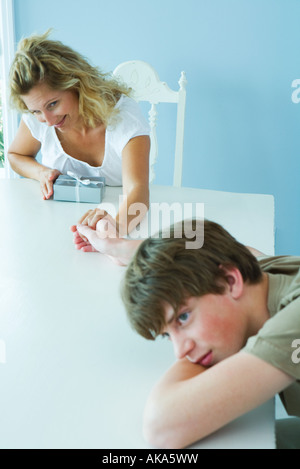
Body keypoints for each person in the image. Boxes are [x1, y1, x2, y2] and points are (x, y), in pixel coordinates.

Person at [76, 218, 300, 449]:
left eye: (183, 317)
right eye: (167, 335)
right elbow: (204, 247)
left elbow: (161, 427)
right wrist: (119, 246)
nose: (180, 351)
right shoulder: (259, 272)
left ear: (231, 281)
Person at [8, 31, 150, 236]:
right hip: (56, 225)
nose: (47, 121)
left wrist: (113, 231)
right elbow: (15, 155)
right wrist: (41, 173)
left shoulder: (124, 117)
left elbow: (138, 191)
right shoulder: (39, 115)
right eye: (36, 111)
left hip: (121, 219)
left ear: (76, 84)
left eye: (53, 104)